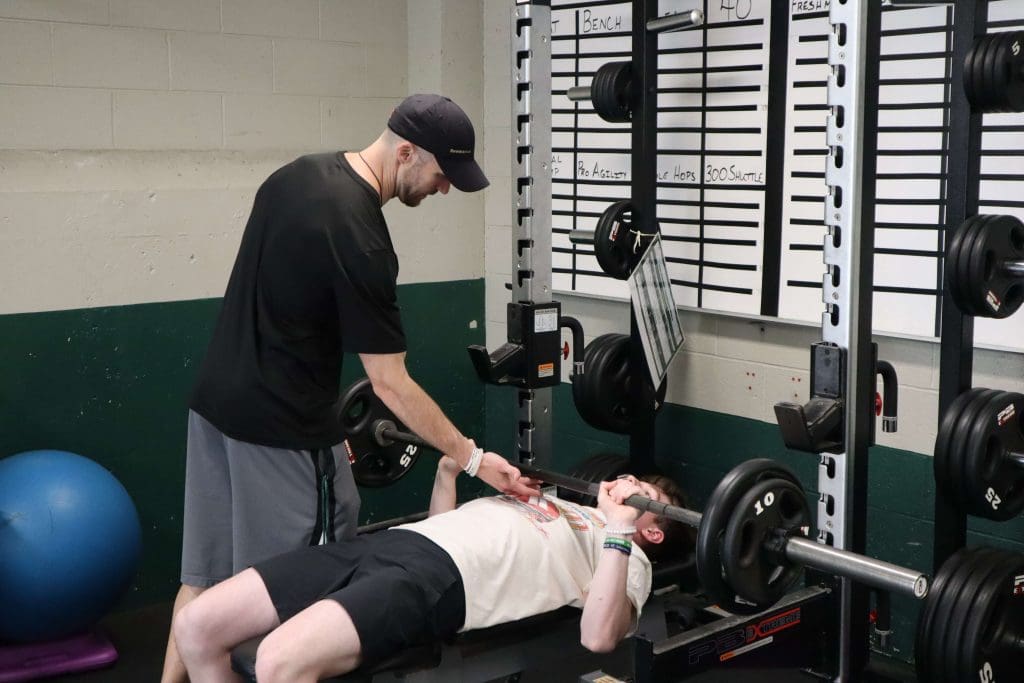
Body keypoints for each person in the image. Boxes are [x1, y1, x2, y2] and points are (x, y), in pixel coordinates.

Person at [162, 94, 539, 683]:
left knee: (204, 578)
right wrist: (471, 458)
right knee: (286, 597)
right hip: (281, 430)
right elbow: (390, 384)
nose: (444, 189)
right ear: (406, 152)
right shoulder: (361, 238)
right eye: (442, 174)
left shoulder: (296, 175)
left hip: (214, 405)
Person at [173, 458, 694, 683]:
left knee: (278, 663)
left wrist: (618, 530)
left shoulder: (628, 558)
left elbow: (599, 637)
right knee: (197, 625)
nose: (627, 483)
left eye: (642, 493)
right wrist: (448, 470)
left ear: (653, 531)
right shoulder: (563, 503)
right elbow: (444, 527)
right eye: (629, 478)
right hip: (396, 544)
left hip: (437, 581)